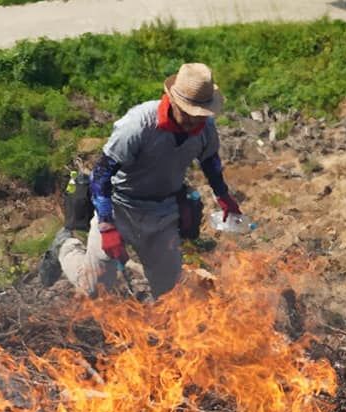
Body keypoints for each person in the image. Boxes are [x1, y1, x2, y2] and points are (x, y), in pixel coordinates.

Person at [39, 62, 244, 298]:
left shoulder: (205, 129)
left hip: (163, 211)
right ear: (173, 101)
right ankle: (65, 246)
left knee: (169, 293)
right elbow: (101, 175)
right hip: (120, 206)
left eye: (199, 116)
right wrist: (106, 226)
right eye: (187, 113)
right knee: (94, 288)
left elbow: (210, 161)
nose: (192, 122)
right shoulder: (138, 126)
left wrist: (223, 196)